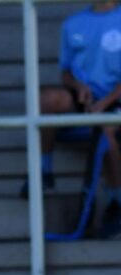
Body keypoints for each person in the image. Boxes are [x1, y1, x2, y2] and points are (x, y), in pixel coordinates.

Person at [25, 0, 121, 236]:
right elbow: (66, 71)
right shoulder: (73, 23)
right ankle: (44, 173)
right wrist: (79, 88)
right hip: (85, 97)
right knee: (47, 99)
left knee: (106, 130)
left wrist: (105, 103)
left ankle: (116, 202)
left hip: (115, 98)